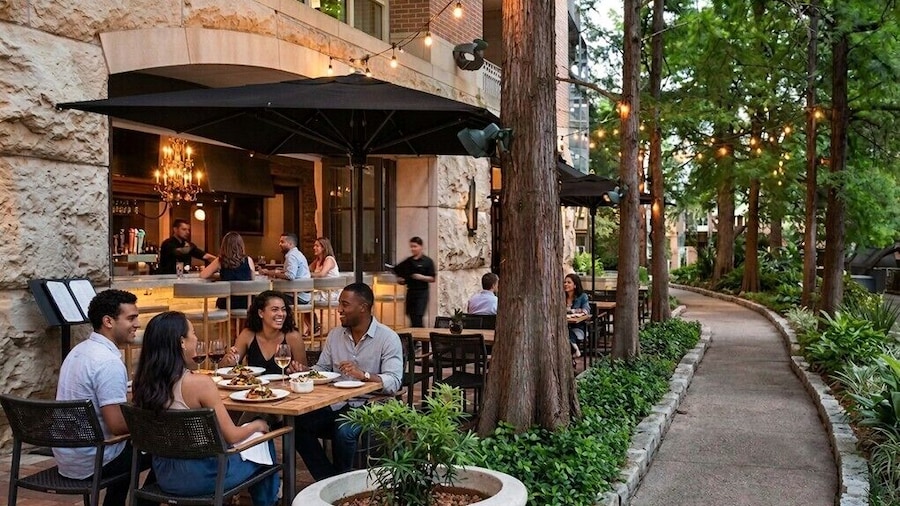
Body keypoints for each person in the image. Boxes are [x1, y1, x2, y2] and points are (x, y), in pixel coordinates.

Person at [131, 312, 280, 506]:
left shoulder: (141, 383)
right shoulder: (199, 384)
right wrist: (258, 425)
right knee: (263, 442)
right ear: (181, 342)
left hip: (165, 475)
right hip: (205, 477)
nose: (197, 338)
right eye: (193, 333)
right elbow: (233, 436)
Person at [54, 289, 155, 506]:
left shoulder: (78, 351)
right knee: (165, 448)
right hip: (93, 460)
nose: (137, 324)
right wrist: (154, 419)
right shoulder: (108, 362)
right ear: (108, 321)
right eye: (131, 318)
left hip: (68, 457)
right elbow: (117, 425)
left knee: (132, 448)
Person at [295, 283, 403, 480]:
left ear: (363, 307)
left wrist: (364, 375)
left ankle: (341, 481)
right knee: (296, 425)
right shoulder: (336, 335)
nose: (339, 310)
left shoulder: (388, 338)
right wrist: (305, 372)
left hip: (373, 406)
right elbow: (322, 369)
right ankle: (329, 480)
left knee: (343, 431)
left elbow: (394, 381)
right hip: (336, 404)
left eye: (345, 305)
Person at [222, 290, 308, 375]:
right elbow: (225, 367)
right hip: (255, 388)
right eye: (275, 310)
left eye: (283, 309)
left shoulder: (293, 337)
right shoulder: (248, 335)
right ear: (261, 313)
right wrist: (229, 361)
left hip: (285, 387)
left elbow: (305, 373)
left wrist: (298, 369)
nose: (281, 314)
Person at [200, 231, 256, 309]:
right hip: (247, 303)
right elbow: (252, 281)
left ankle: (225, 321)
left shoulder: (220, 260)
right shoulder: (248, 260)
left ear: (224, 246)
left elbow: (203, 275)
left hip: (227, 303)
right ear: (241, 245)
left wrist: (220, 277)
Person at [395, 236, 436, 327]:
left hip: (422, 292)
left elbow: (432, 278)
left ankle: (422, 338)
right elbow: (398, 271)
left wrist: (421, 277)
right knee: (411, 315)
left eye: (415, 246)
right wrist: (400, 280)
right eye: (411, 247)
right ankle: (414, 338)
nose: (413, 249)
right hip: (411, 291)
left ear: (421, 247)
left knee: (418, 316)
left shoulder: (427, 261)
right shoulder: (408, 261)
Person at [565, 273, 591, 359]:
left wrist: (571, 311)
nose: (566, 284)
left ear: (575, 285)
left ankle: (574, 351)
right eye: (565, 282)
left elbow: (586, 311)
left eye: (569, 282)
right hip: (564, 325)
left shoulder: (582, 297)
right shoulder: (561, 296)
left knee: (566, 332)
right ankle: (575, 349)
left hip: (578, 327)